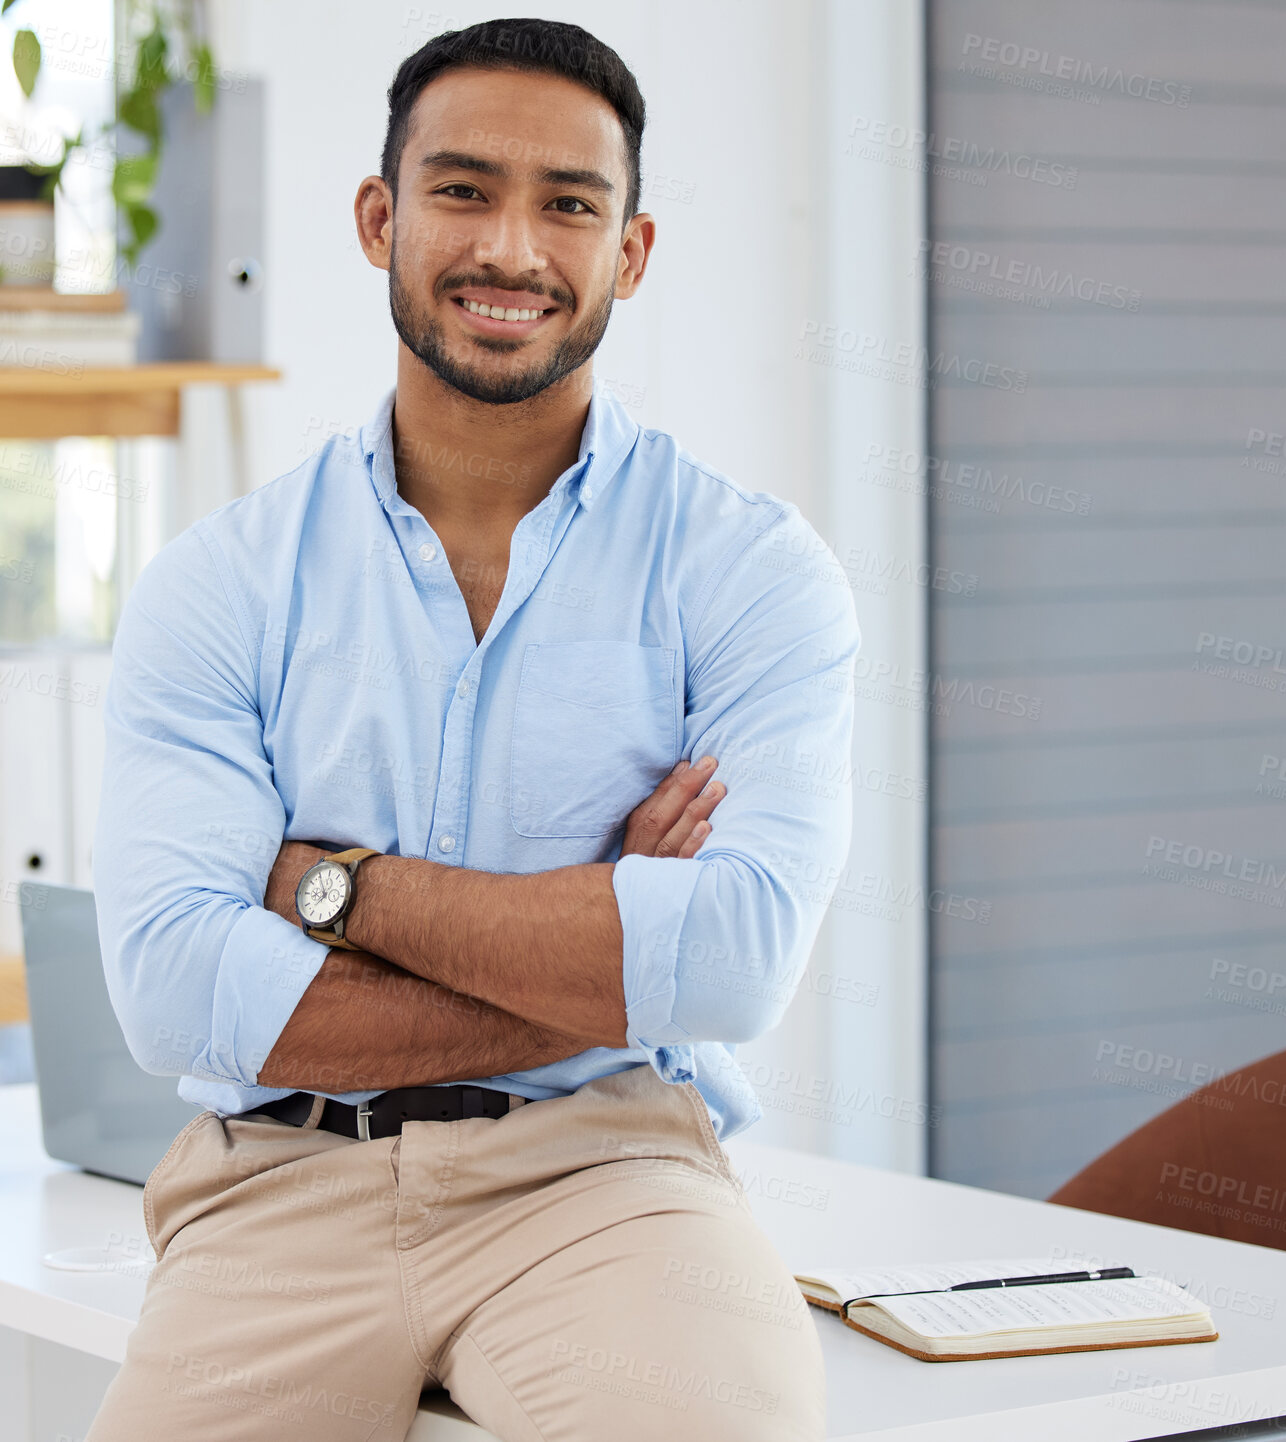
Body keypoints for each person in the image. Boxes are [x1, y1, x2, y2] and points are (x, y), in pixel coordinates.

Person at [88, 17, 859, 1441]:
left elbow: (736, 961)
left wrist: (333, 888)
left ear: (628, 253)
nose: (512, 246)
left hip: (604, 1178)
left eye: (568, 203)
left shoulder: (750, 571)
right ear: (381, 217)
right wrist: (616, 944)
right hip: (275, 1182)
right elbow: (178, 989)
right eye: (462, 189)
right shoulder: (222, 580)